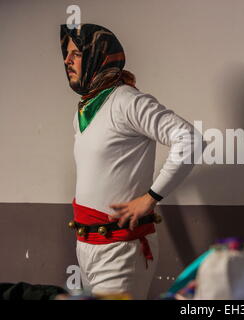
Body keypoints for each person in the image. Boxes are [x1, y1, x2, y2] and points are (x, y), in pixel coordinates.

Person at [60, 23, 201, 299]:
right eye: (67, 54)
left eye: (75, 53)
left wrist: (150, 198)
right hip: (86, 247)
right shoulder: (83, 111)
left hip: (120, 250)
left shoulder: (127, 101)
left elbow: (189, 138)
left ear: (97, 55)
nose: (67, 60)